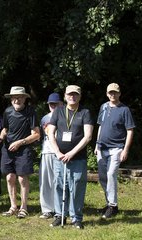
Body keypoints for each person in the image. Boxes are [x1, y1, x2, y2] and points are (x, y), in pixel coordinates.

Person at [48, 85, 93, 229]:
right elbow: (50, 133)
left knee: (77, 186)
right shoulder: (58, 111)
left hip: (78, 157)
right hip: (60, 157)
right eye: (69, 94)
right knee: (60, 185)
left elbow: (88, 137)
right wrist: (58, 152)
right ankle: (60, 215)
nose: (72, 97)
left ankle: (76, 217)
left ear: (79, 96)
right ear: (65, 96)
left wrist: (71, 153)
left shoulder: (85, 112)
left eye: (75, 94)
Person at [0, 86, 40, 219]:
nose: (17, 100)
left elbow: (36, 134)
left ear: (25, 99)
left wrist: (20, 142)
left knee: (22, 178)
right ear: (11, 99)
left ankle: (24, 207)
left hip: (24, 149)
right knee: (10, 177)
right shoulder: (7, 112)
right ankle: (13, 207)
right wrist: (0, 137)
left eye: (20, 97)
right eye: (14, 97)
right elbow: (5, 129)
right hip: (8, 149)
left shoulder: (30, 112)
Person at [95, 83, 135, 219]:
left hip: (116, 148)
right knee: (102, 177)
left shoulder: (125, 110)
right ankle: (108, 204)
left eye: (115, 92)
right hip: (101, 148)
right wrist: (96, 144)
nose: (112, 95)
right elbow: (100, 126)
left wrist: (125, 150)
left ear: (119, 94)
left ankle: (113, 206)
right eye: (110, 92)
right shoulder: (104, 107)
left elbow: (130, 130)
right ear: (107, 94)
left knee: (111, 174)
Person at [39, 93, 63, 219]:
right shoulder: (44, 119)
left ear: (61, 104)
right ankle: (47, 209)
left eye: (56, 103)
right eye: (51, 104)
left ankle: (59, 208)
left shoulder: (66, 116)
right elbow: (43, 136)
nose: (53, 106)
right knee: (46, 181)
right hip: (47, 152)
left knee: (59, 181)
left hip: (62, 153)